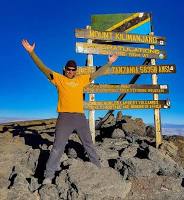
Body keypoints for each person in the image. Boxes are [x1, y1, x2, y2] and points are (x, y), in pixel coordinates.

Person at [21, 39, 118, 184]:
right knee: (57, 148)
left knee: (89, 144)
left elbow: (97, 74)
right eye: (68, 69)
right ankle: (48, 176)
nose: (71, 71)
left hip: (79, 117)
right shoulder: (59, 79)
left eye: (73, 70)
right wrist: (31, 53)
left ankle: (97, 169)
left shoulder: (81, 80)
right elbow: (43, 68)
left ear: (76, 71)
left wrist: (109, 63)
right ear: (65, 69)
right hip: (64, 117)